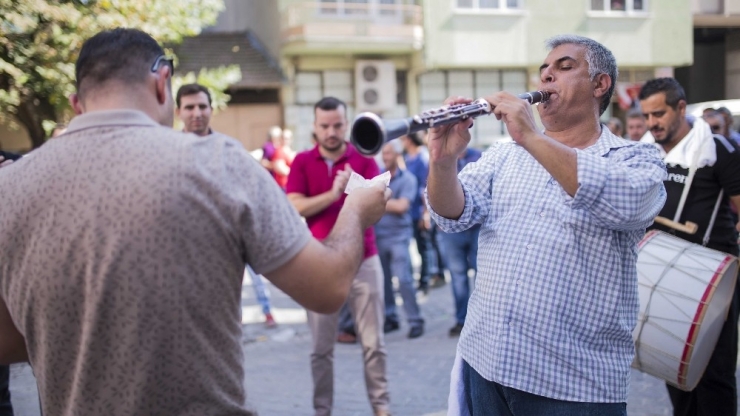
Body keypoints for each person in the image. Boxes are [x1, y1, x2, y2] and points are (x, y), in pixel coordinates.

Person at [0, 28, 390, 416]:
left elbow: (7, 341)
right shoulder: (218, 163)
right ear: (162, 81)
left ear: (76, 103)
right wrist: (356, 209)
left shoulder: (11, 185)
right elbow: (327, 288)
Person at [427, 34, 666, 415]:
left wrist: (531, 136)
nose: (546, 78)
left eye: (564, 68)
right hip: (485, 362)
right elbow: (452, 216)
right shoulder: (503, 155)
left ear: (599, 85)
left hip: (573, 385)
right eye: (543, 72)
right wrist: (442, 160)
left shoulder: (635, 157)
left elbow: (629, 202)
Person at [638, 77, 740, 416]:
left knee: (715, 375)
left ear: (681, 108)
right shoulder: (646, 150)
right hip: (664, 274)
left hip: (713, 280)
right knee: (672, 366)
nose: (652, 123)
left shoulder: (718, 151)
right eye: (647, 115)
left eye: (659, 114)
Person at [286, 96, 390, 416]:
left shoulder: (364, 158)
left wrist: (355, 197)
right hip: (320, 261)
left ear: (346, 124)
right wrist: (332, 195)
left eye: (337, 125)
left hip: (364, 258)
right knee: (320, 349)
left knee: (373, 345)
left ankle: (381, 408)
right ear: (314, 127)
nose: (331, 131)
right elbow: (294, 206)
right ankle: (322, 410)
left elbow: (379, 206)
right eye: (325, 125)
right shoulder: (302, 161)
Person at [176, 82, 278, 329]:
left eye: (202, 106)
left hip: (226, 252)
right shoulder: (168, 151)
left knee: (226, 325)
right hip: (183, 255)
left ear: (211, 109)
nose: (197, 113)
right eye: (189, 107)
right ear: (179, 112)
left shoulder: (229, 150)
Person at [375, 140, 424, 339]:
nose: (385, 157)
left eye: (388, 154)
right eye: (383, 154)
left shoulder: (408, 179)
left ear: (397, 155)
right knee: (384, 281)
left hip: (399, 236)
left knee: (404, 279)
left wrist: (377, 200)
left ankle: (415, 321)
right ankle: (390, 317)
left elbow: (402, 206)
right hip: (379, 234)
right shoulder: (378, 177)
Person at [436, 146, 482, 337]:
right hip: (452, 231)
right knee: (458, 276)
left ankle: (481, 320)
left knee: (483, 275)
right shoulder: (442, 158)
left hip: (477, 228)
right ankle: (461, 321)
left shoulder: (478, 156)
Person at [401, 131, 443, 293]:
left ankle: (427, 280)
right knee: (418, 246)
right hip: (411, 210)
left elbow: (427, 187)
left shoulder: (422, 158)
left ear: (410, 140)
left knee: (424, 246)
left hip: (421, 210)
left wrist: (426, 213)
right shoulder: (408, 158)